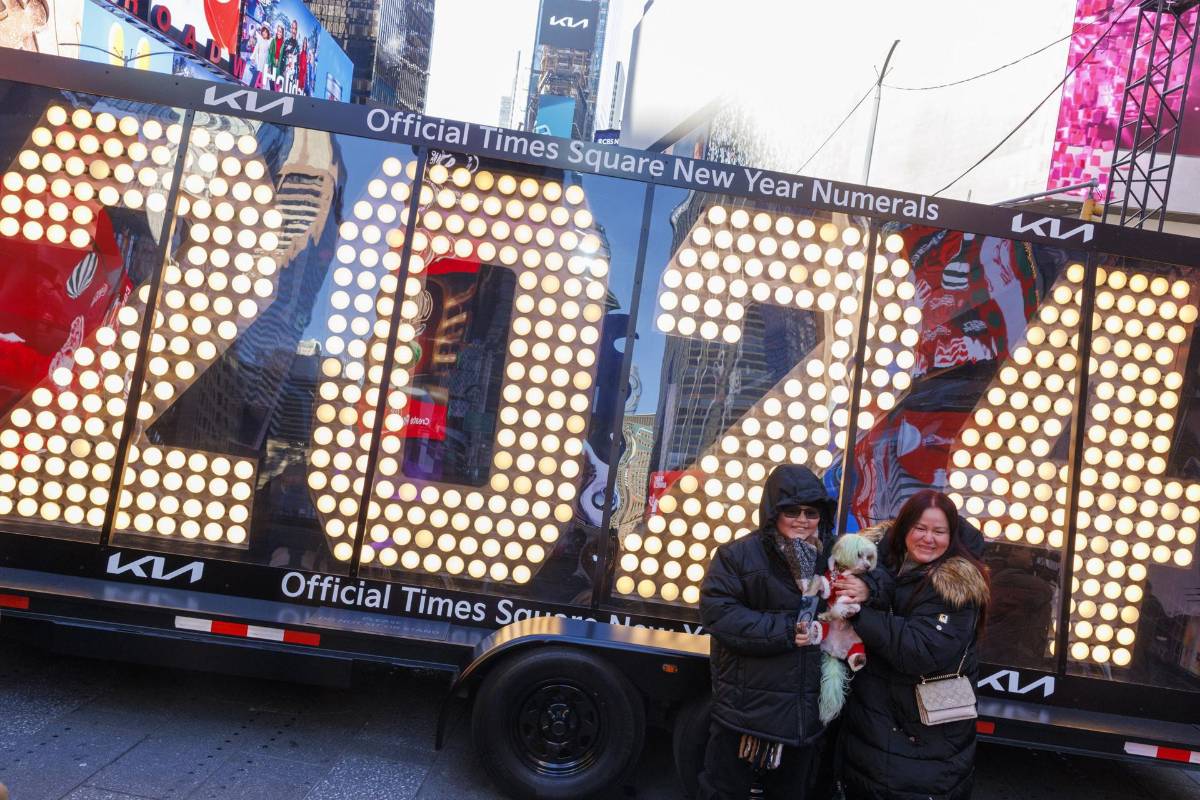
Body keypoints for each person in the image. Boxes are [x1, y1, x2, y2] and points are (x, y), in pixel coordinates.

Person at [833, 490, 990, 800]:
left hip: (924, 737)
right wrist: (866, 587)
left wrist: (859, 613)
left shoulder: (957, 586)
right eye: (920, 528)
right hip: (875, 721)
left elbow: (919, 649)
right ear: (904, 528)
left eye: (939, 531)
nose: (928, 538)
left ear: (952, 536)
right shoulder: (880, 562)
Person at [697, 464, 835, 799]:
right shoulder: (737, 555)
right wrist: (786, 631)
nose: (802, 520)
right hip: (748, 711)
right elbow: (718, 613)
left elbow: (874, 579)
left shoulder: (830, 557)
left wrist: (865, 589)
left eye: (811, 512)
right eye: (791, 511)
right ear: (774, 512)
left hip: (802, 715)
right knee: (724, 791)